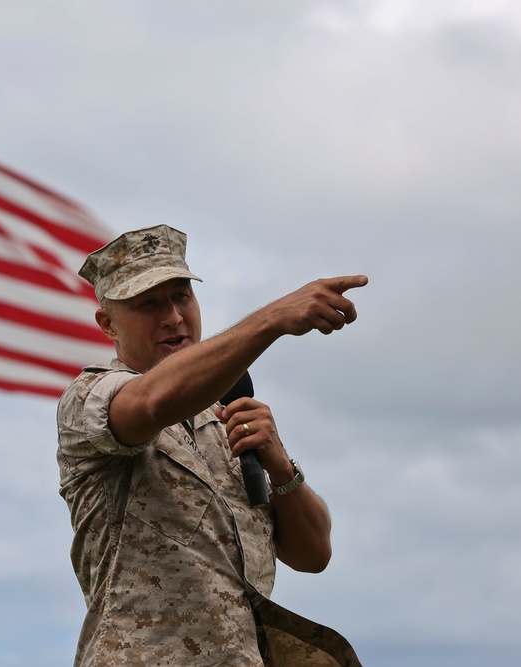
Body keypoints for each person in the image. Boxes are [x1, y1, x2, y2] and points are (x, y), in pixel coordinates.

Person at [56, 224, 367, 666]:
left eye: (182, 296)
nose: (173, 317)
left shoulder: (228, 418)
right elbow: (153, 401)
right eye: (148, 304)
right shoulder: (91, 398)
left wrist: (281, 467)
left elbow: (313, 554)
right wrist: (272, 318)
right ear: (108, 324)